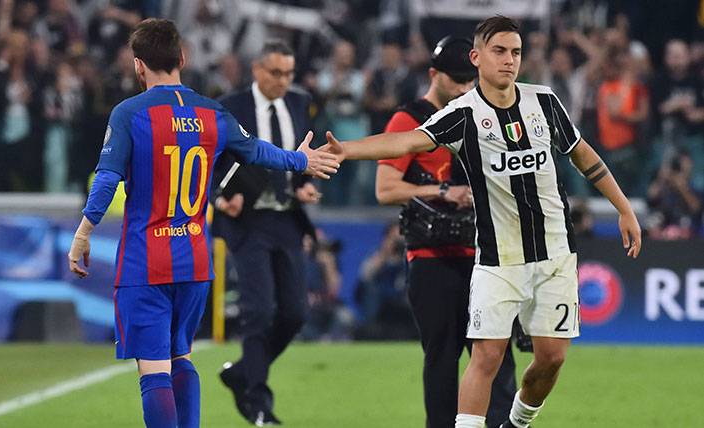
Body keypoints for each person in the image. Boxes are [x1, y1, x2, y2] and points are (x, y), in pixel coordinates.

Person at [321, 16, 642, 428]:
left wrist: (624, 208)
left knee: (551, 359)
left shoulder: (544, 102)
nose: (509, 61)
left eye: (516, 52)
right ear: (477, 57)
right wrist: (345, 149)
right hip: (497, 259)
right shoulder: (464, 114)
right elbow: (406, 141)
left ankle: (516, 423)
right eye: (499, 51)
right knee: (487, 354)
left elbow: (584, 156)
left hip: (556, 255)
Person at [67, 19, 338, 428]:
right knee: (182, 356)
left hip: (147, 259)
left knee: (154, 367)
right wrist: (301, 160)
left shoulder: (129, 114)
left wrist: (83, 233)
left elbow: (107, 179)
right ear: (183, 58)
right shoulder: (211, 112)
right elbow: (257, 151)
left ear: (138, 66)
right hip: (193, 258)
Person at [375, 35, 517, 427]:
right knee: (442, 356)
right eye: (454, 79)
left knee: (496, 355)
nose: (462, 87)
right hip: (432, 258)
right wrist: (440, 190)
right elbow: (385, 189)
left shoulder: (482, 115)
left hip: (484, 259)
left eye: (468, 79)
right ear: (433, 74)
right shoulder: (410, 119)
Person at [211, 39, 322, 426]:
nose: (283, 80)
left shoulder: (299, 102)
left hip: (286, 218)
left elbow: (301, 159)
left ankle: (242, 372)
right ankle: (258, 403)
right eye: (276, 72)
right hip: (248, 220)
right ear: (256, 70)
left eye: (289, 73)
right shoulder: (231, 105)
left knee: (295, 313)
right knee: (257, 311)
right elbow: (209, 157)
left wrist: (305, 183)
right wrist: (219, 197)